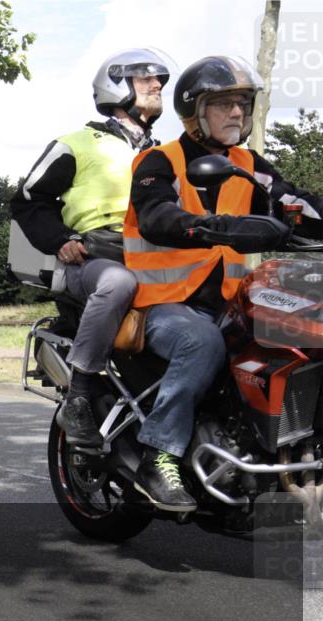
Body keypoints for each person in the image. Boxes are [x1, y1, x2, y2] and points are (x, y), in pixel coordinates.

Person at [124, 55, 323, 511]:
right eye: (225, 104)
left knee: (303, 329)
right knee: (202, 343)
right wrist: (215, 226)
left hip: (230, 302)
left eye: (242, 103)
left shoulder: (248, 164)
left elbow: (293, 201)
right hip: (164, 305)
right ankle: (159, 455)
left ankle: (277, 445)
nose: (237, 112)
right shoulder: (158, 161)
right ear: (195, 112)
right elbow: (157, 216)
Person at [11, 48, 171, 446]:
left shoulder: (167, 155)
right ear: (117, 86)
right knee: (117, 283)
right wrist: (60, 240)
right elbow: (28, 199)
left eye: (161, 80)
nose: (157, 85)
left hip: (157, 260)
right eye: (146, 78)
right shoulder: (78, 144)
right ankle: (81, 392)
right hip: (98, 257)